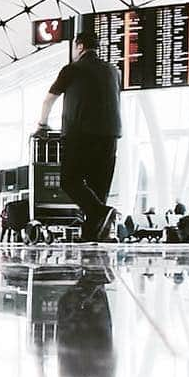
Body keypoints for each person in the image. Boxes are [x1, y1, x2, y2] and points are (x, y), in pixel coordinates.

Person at [35, 29, 122, 243]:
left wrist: (42, 124)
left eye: (75, 47)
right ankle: (93, 234)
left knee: (70, 180)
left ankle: (101, 213)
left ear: (80, 46)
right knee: (98, 186)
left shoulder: (72, 69)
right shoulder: (114, 71)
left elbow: (49, 99)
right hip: (110, 135)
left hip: (80, 133)